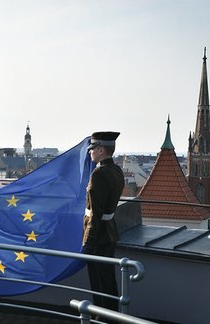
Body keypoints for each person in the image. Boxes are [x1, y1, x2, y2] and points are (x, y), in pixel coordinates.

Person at [82, 131, 125, 314]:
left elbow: (95, 215)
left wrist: (87, 242)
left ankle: (102, 318)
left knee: (99, 285)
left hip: (98, 237)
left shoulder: (99, 174)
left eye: (92, 148)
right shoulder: (116, 170)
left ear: (100, 150)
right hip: (109, 232)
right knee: (108, 282)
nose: (90, 152)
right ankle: (112, 316)